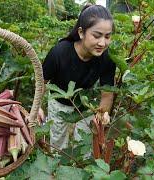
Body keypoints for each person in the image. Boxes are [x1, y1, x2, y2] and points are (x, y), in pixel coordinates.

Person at [41, 4, 116, 150]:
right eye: (96, 35)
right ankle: (57, 168)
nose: (102, 43)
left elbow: (107, 94)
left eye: (107, 36)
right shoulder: (59, 53)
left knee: (85, 145)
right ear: (81, 33)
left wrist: (102, 114)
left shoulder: (107, 59)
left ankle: (81, 167)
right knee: (57, 142)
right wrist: (36, 107)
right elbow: (42, 82)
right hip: (59, 102)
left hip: (85, 102)